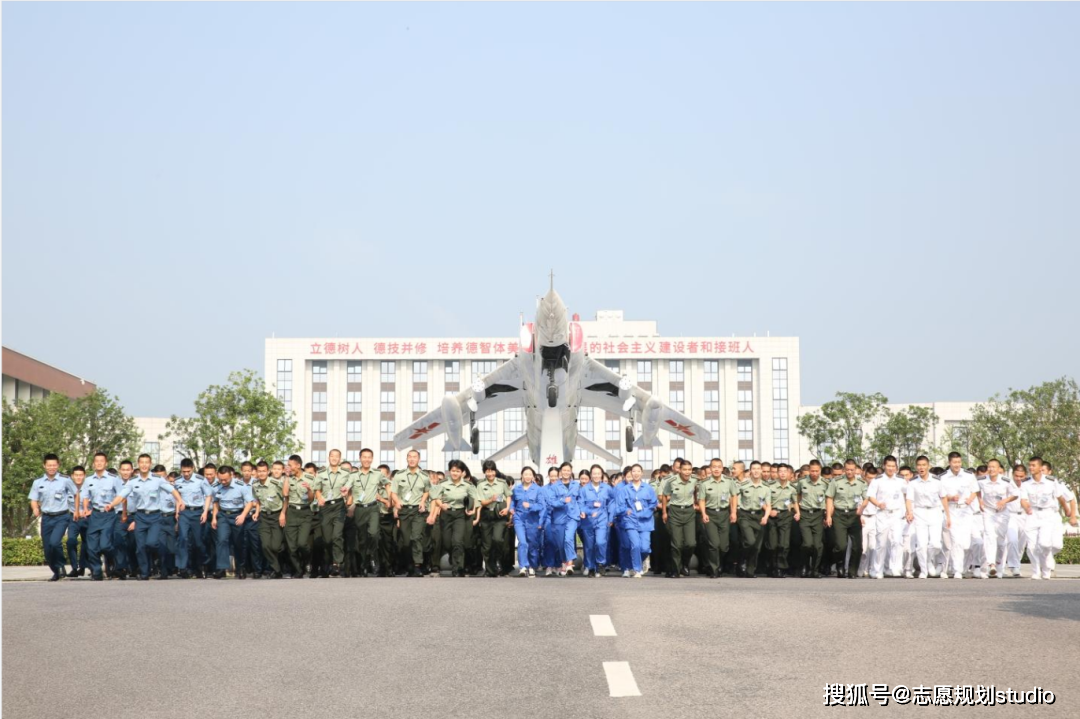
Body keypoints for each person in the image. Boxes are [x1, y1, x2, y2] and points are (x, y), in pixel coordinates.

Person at [103, 454, 184, 580]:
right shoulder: (133, 481)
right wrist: (111, 504)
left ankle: (156, 563)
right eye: (142, 462)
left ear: (150, 464)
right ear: (138, 464)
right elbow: (122, 495)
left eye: (147, 462)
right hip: (140, 516)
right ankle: (145, 572)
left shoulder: (158, 479)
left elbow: (172, 490)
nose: (144, 465)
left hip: (155, 516)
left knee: (151, 543)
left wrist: (180, 501)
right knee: (140, 547)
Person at [27, 453, 79, 581]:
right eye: (49, 465)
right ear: (44, 466)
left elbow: (76, 494)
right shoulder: (38, 482)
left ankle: (61, 566)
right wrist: (35, 508)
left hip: (61, 516)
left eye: (54, 465)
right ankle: (56, 571)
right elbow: (33, 498)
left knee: (55, 542)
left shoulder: (65, 480)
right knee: (47, 549)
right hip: (46, 518)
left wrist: (76, 510)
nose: (52, 467)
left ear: (58, 465)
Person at [1018, 460, 1068, 581]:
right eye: (1029, 465)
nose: (1030, 467)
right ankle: (1036, 571)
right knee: (1031, 546)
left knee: (1045, 544)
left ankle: (1045, 568)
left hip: (1047, 514)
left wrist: (1066, 509)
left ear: (1040, 468)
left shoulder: (1051, 481)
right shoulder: (1025, 483)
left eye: (1033, 465)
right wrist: (1027, 507)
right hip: (1032, 514)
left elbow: (1060, 497)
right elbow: (1023, 499)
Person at [78, 452, 124, 581]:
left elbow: (120, 496)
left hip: (108, 515)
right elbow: (85, 497)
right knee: (91, 546)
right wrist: (86, 508)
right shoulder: (88, 480)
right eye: (96, 461)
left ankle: (115, 560)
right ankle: (97, 571)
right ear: (93, 463)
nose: (98, 463)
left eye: (101, 461)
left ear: (106, 463)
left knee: (105, 545)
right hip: (95, 515)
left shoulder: (113, 479)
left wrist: (116, 508)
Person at [861, 456, 906, 580]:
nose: (891, 468)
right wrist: (878, 504)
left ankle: (895, 567)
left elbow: (907, 494)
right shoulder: (878, 480)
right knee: (881, 543)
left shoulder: (901, 480)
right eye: (889, 466)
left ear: (896, 467)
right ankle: (877, 569)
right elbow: (870, 496)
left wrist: (907, 511)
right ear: (884, 466)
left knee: (897, 541)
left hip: (896, 514)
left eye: (893, 466)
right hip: (883, 514)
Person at [344, 448, 386, 577]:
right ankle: (364, 564)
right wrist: (345, 490)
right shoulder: (353, 475)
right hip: (359, 509)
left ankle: (372, 555)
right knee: (361, 540)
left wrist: (388, 497)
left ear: (372, 459)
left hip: (373, 508)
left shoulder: (377, 474)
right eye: (364, 457)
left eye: (369, 457)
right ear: (360, 458)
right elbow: (347, 486)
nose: (367, 459)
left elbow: (388, 484)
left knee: (373, 534)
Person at [904, 456, 947, 579]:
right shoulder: (913, 483)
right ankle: (924, 570)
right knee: (921, 544)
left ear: (928, 466)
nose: (921, 467)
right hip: (919, 513)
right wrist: (909, 512)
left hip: (935, 512)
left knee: (936, 544)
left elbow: (943, 498)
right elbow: (909, 499)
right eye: (919, 465)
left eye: (924, 465)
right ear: (916, 467)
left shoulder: (937, 481)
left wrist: (948, 516)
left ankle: (928, 560)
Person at [309, 449, 351, 577]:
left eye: (337, 456)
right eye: (332, 456)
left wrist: (346, 492)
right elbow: (316, 489)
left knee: (337, 535)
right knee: (327, 539)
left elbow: (350, 487)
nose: (334, 458)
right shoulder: (321, 473)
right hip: (325, 507)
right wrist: (319, 497)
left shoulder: (345, 473)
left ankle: (337, 562)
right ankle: (329, 561)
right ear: (329, 457)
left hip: (339, 506)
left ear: (340, 459)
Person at [390, 450, 431, 577]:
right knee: (406, 541)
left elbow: (427, 491)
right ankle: (409, 565)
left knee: (416, 537)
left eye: (415, 457)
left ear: (419, 459)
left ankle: (417, 565)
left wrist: (423, 501)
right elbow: (393, 492)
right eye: (410, 457)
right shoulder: (399, 475)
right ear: (407, 459)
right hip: (404, 510)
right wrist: (396, 503)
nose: (412, 459)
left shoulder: (424, 476)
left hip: (418, 511)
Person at [939, 452, 979, 579]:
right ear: (949, 462)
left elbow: (975, 490)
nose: (957, 465)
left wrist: (970, 499)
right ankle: (957, 570)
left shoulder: (968, 475)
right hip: (952, 510)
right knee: (956, 541)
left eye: (959, 462)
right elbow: (942, 496)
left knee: (966, 544)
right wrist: (950, 498)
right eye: (954, 462)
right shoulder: (943, 477)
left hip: (966, 511)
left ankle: (963, 567)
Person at [977, 458, 1019, 578]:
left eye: (994, 467)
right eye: (989, 467)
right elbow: (976, 490)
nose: (991, 469)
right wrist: (980, 501)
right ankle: (991, 564)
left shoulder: (1006, 481)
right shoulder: (982, 480)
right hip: (988, 512)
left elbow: (1015, 494)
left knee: (1000, 541)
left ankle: (999, 565)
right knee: (989, 536)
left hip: (1002, 513)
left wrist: (1005, 501)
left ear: (999, 468)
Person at [614, 465, 658, 578]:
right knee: (635, 545)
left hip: (645, 522)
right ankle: (637, 570)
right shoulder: (625, 489)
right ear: (631, 473)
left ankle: (632, 564)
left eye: (638, 471)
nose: (636, 473)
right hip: (630, 521)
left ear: (642, 473)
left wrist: (646, 513)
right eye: (634, 471)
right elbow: (618, 507)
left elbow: (653, 503)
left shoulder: (648, 488)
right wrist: (625, 510)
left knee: (645, 548)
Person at [210, 466, 254, 579]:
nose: (223, 482)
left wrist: (243, 516)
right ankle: (221, 568)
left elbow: (250, 502)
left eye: (226, 479)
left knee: (238, 542)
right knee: (221, 540)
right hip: (223, 516)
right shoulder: (216, 487)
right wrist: (214, 518)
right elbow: (216, 502)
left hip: (237, 515)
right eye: (221, 479)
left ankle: (241, 568)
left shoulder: (241, 486)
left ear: (232, 475)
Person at [173, 459, 214, 578]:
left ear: (192, 468)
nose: (186, 474)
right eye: (183, 471)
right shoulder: (177, 481)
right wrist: (177, 512)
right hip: (184, 513)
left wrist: (205, 512)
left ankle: (202, 565)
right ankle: (183, 567)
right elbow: (177, 497)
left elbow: (208, 495)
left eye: (188, 471)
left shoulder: (200, 480)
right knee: (183, 539)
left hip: (197, 513)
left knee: (198, 542)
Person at [696, 458, 737, 578]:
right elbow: (701, 500)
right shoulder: (704, 483)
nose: (716, 469)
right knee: (714, 544)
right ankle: (714, 568)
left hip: (724, 514)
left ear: (722, 468)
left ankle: (719, 563)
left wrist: (733, 512)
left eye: (719, 466)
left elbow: (734, 496)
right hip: (710, 514)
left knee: (723, 546)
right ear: (710, 468)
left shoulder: (729, 481)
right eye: (714, 467)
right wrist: (704, 514)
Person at [825, 459, 865, 579]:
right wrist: (828, 516)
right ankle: (840, 565)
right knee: (841, 545)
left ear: (855, 470)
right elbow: (829, 498)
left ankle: (852, 570)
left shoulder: (861, 483)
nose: (849, 472)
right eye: (847, 469)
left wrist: (862, 508)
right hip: (839, 515)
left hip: (854, 515)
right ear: (844, 470)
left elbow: (867, 498)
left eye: (852, 470)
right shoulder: (836, 482)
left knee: (857, 546)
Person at [661, 458, 697, 578]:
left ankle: (685, 564)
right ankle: (676, 570)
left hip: (689, 512)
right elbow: (665, 496)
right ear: (680, 470)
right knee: (676, 544)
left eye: (689, 470)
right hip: (675, 512)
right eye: (684, 470)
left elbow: (698, 492)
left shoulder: (695, 480)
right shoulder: (671, 481)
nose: (687, 472)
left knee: (691, 543)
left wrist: (696, 503)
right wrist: (664, 512)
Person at [734, 461, 771, 578]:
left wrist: (765, 517)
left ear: (761, 471)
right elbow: (736, 499)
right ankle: (742, 560)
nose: (756, 471)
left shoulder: (766, 488)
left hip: (759, 516)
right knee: (750, 541)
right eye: (753, 469)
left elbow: (768, 505)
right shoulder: (743, 485)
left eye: (758, 469)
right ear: (750, 471)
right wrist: (736, 512)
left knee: (756, 546)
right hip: (745, 515)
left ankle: (750, 570)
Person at [474, 460, 510, 577]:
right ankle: (490, 569)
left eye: (492, 471)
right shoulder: (480, 485)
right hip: (486, 515)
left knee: (498, 539)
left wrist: (507, 508)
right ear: (484, 472)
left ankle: (497, 561)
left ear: (495, 471)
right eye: (487, 471)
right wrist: (491, 499)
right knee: (487, 545)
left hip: (499, 515)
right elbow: (481, 501)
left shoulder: (502, 483)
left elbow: (508, 496)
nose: (490, 474)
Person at [252, 460, 287, 578]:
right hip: (264, 517)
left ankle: (277, 568)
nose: (261, 473)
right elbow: (257, 500)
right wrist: (257, 512)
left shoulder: (276, 483)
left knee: (275, 546)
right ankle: (277, 570)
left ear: (268, 471)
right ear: (256, 472)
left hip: (277, 515)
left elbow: (286, 499)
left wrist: (283, 514)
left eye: (264, 471)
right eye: (259, 471)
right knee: (265, 545)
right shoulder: (255, 485)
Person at [579, 464, 613, 578]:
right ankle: (591, 567)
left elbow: (612, 502)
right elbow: (581, 504)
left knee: (600, 542)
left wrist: (611, 516)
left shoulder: (607, 488)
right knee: (589, 546)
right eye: (594, 473)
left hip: (602, 519)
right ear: (590, 475)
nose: (597, 476)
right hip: (588, 521)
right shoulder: (584, 489)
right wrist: (586, 512)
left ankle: (601, 563)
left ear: (602, 475)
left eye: (599, 473)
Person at [510, 466, 545, 577]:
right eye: (525, 474)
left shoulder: (538, 490)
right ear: (522, 476)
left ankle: (532, 566)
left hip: (532, 519)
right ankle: (523, 566)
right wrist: (512, 510)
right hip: (519, 518)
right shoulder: (516, 489)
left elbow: (541, 505)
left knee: (532, 544)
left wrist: (530, 505)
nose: (528, 476)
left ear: (533, 476)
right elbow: (513, 502)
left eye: (530, 474)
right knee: (522, 542)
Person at [766, 464, 799, 578]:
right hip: (772, 516)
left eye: (785, 471)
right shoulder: (769, 486)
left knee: (784, 544)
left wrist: (798, 512)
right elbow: (761, 501)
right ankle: (772, 566)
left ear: (789, 473)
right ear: (776, 473)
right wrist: (769, 511)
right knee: (773, 545)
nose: (783, 473)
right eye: (780, 471)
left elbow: (794, 502)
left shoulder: (792, 488)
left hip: (786, 515)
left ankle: (780, 568)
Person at [796, 460, 827, 577]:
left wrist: (827, 515)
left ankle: (815, 569)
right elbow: (798, 496)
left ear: (820, 470)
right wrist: (798, 511)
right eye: (812, 471)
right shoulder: (802, 482)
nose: (814, 473)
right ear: (809, 470)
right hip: (804, 514)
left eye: (817, 471)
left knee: (818, 545)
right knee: (807, 544)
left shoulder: (825, 483)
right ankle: (804, 565)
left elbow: (828, 499)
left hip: (818, 514)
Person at [65, 465, 90, 578]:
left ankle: (83, 567)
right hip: (73, 519)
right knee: (71, 541)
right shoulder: (67, 488)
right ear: (72, 476)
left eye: (81, 475)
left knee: (87, 543)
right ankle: (74, 567)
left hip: (87, 519)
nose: (78, 477)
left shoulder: (89, 486)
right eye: (76, 475)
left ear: (84, 476)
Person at [1005, 464, 1028, 578]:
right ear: (1012, 474)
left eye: (1021, 476)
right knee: (1012, 540)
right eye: (1016, 476)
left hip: (1025, 516)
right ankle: (1014, 566)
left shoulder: (1028, 485)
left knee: (1022, 543)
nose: (1018, 479)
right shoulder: (1007, 485)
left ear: (1025, 475)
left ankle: (1016, 563)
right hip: (1011, 516)